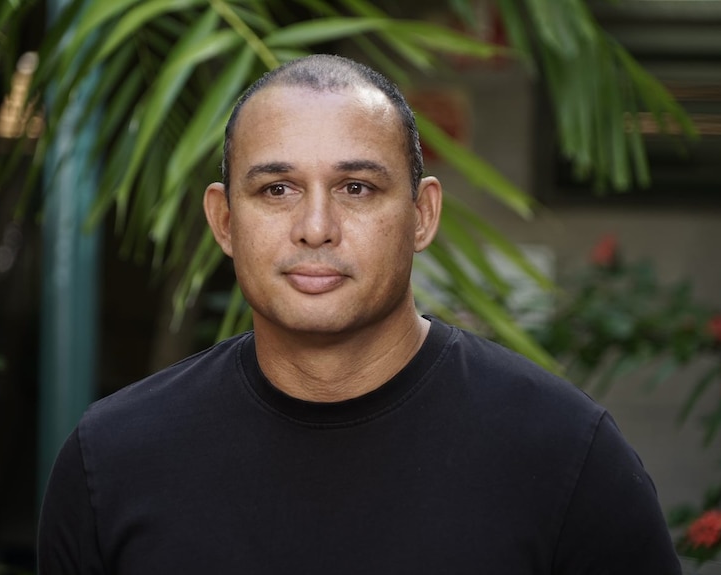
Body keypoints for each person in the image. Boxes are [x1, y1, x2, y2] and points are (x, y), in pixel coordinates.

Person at [37, 54, 682, 574]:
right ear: (224, 220)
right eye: (277, 189)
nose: (316, 227)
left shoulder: (565, 454)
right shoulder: (115, 460)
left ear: (422, 214)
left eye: (357, 188)